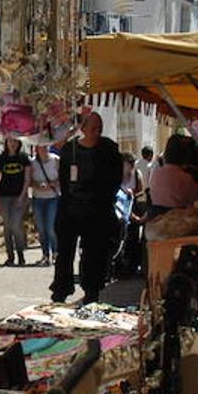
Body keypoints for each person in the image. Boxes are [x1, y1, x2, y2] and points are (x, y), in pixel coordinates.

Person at [51, 112, 123, 304]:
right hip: (71, 208)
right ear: (83, 129)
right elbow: (64, 181)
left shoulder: (109, 149)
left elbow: (115, 180)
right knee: (65, 253)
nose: (96, 132)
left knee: (93, 254)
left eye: (99, 128)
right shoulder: (69, 150)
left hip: (97, 211)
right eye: (92, 128)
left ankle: (92, 291)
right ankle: (60, 291)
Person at [0, 135, 31, 266]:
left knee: (15, 225)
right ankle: (10, 257)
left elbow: (27, 179)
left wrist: (22, 196)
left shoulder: (24, 158)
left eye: (15, 141)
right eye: (10, 141)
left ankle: (21, 255)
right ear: (6, 142)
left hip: (19, 196)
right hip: (4, 196)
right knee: (7, 227)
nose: (12, 144)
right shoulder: (1, 159)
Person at [147, 134, 198, 215]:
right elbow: (197, 202)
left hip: (156, 218)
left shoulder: (155, 172)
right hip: (178, 220)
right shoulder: (187, 178)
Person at [28, 142, 61, 266]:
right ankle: (45, 255)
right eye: (41, 146)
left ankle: (56, 253)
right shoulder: (33, 163)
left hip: (52, 197)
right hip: (38, 198)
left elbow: (63, 178)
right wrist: (38, 185)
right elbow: (29, 180)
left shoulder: (56, 160)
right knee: (41, 229)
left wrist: (52, 184)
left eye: (46, 146)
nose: (44, 149)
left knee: (51, 228)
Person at [113, 151, 144, 276]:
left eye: (132, 163)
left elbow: (141, 190)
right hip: (119, 208)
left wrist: (132, 194)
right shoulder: (116, 174)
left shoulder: (137, 174)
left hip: (132, 205)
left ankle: (132, 265)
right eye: (128, 163)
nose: (131, 166)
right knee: (120, 237)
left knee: (133, 236)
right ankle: (118, 264)